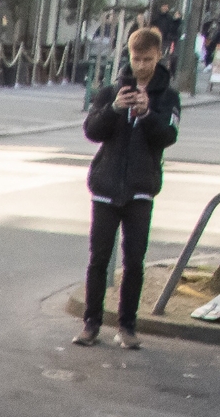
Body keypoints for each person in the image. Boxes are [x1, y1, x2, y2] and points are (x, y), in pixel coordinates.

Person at [77, 26, 179, 348]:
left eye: (148, 59)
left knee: (134, 260)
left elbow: (168, 137)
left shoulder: (168, 97)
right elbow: (92, 131)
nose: (141, 65)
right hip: (106, 187)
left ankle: (127, 326)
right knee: (98, 258)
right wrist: (115, 109)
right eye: (136, 58)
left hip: (140, 188)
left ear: (158, 56)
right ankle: (91, 323)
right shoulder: (111, 91)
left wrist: (147, 114)